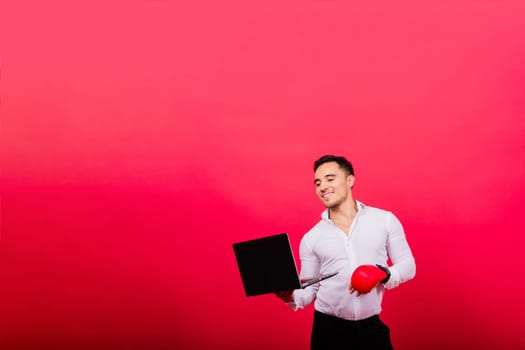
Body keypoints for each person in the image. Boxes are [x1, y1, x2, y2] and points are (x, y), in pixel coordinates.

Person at [275, 155, 416, 349]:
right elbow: (310, 289)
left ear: (350, 180)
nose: (322, 187)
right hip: (328, 331)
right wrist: (289, 296)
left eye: (330, 179)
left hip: (371, 328)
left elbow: (408, 266)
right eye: (317, 183)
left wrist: (384, 273)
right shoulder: (311, 238)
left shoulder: (385, 220)